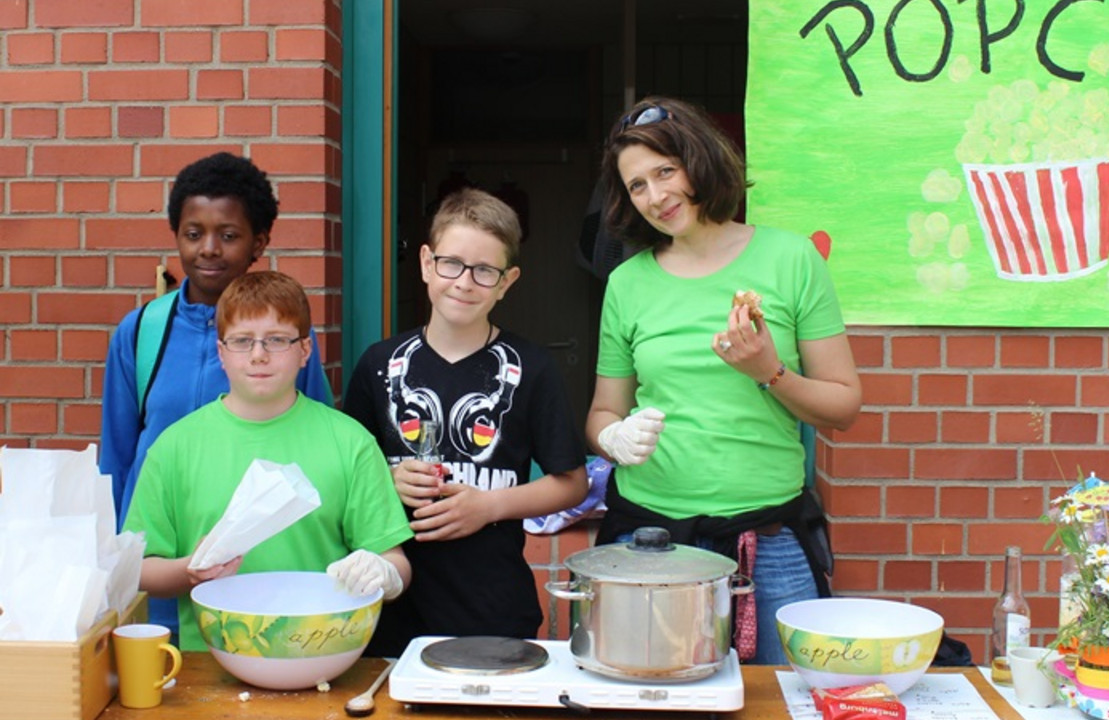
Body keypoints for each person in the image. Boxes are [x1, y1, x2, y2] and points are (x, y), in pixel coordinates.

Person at [586, 97, 863, 665]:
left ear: (700, 161)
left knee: (783, 698)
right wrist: (611, 439)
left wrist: (770, 372)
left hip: (770, 538)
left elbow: (844, 406)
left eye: (665, 171)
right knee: (645, 695)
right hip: (648, 540)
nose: (656, 196)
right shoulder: (626, 284)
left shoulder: (792, 259)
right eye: (637, 186)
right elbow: (602, 413)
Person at [344, 188, 588, 657]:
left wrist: (489, 506)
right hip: (388, 607)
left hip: (493, 608)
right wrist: (387, 477)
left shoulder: (532, 368)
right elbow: (346, 477)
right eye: (451, 263)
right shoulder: (378, 364)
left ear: (507, 281)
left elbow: (572, 483)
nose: (464, 282)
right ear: (425, 263)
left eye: (484, 271)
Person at [99, 152, 332, 639]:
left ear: (259, 242)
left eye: (228, 235)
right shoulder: (141, 333)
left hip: (256, 574)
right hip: (158, 582)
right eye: (193, 233)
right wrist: (116, 565)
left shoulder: (282, 337)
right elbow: (117, 460)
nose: (208, 248)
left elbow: (318, 444)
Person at [122, 271, 412, 652]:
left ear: (304, 350)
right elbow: (137, 569)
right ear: (221, 351)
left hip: (323, 655)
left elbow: (395, 559)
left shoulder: (350, 442)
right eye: (242, 341)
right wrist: (190, 569)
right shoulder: (175, 446)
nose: (259, 354)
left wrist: (385, 573)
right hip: (213, 663)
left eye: (277, 339)